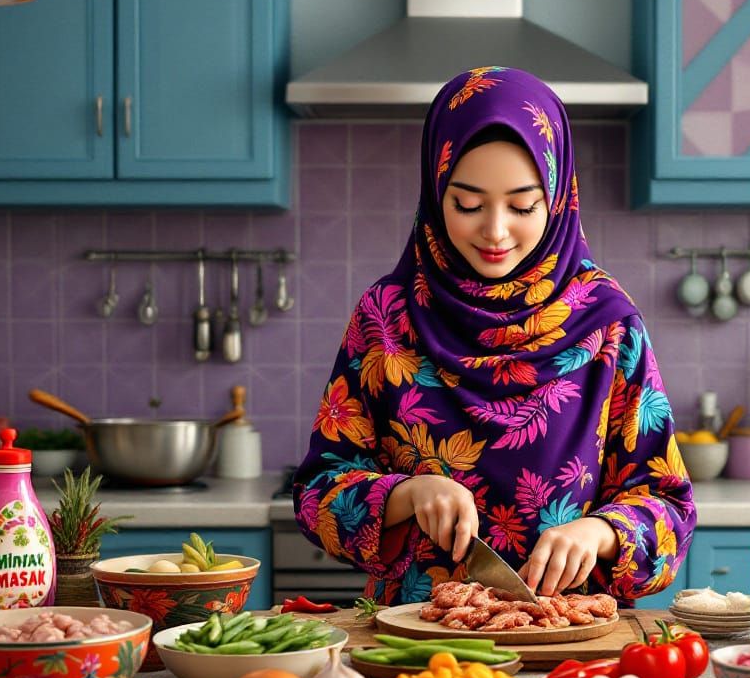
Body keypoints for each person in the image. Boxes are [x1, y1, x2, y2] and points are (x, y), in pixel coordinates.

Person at [294, 67, 695, 606]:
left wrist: (600, 533)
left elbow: (668, 505)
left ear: (555, 197)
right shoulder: (385, 319)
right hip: (416, 644)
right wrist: (407, 494)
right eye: (467, 204)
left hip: (571, 649)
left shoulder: (609, 326)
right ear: (436, 194)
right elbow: (319, 490)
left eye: (523, 205)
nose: (496, 230)